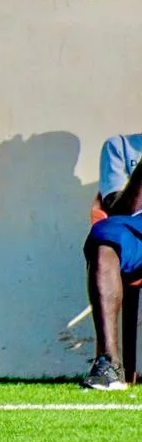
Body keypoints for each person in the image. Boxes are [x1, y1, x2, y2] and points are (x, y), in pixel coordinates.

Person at [81, 133, 142, 390]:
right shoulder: (120, 147)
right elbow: (116, 211)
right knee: (104, 236)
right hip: (136, 230)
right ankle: (109, 365)